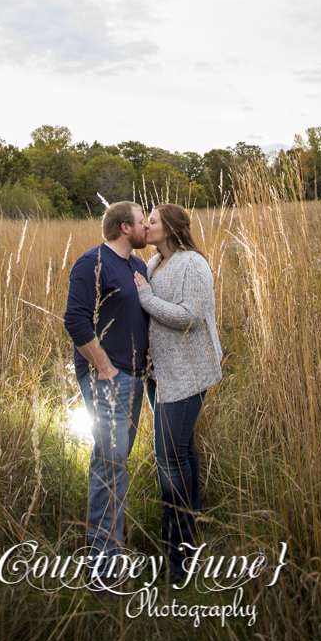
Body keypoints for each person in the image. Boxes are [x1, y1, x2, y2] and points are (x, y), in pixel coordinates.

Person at [133, 203, 222, 582]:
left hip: (188, 373)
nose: (145, 226)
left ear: (168, 227)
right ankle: (194, 524)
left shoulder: (193, 264)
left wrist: (146, 298)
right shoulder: (154, 264)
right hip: (161, 373)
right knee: (182, 450)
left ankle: (179, 553)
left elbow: (192, 315)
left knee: (168, 458)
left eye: (151, 221)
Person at [64, 200, 149, 581]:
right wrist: (103, 366)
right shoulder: (92, 262)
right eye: (141, 220)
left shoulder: (138, 265)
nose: (146, 226)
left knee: (116, 464)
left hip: (135, 377)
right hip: (108, 379)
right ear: (125, 228)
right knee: (109, 466)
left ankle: (112, 551)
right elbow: (75, 320)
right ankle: (104, 568)